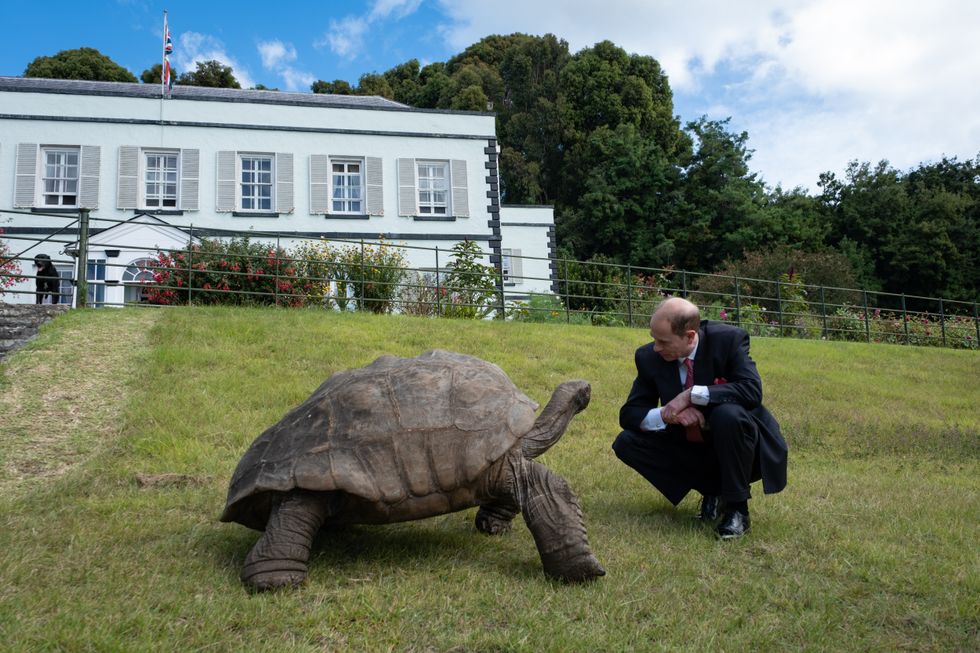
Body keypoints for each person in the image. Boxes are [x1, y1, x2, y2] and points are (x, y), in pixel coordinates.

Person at [612, 297, 787, 539]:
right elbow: (629, 414)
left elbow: (751, 391)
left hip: (743, 448)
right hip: (689, 444)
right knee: (626, 442)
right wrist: (667, 414)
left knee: (728, 414)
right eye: (654, 338)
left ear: (690, 336)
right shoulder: (648, 358)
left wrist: (692, 396)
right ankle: (712, 490)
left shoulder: (728, 341)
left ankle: (737, 509)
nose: (656, 348)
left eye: (663, 341)